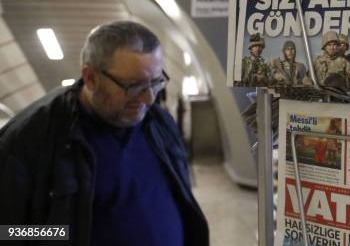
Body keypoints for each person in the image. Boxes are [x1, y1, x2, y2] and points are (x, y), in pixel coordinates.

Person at [0, 21, 209, 245]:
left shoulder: (158, 121)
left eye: (156, 82)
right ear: (90, 77)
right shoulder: (28, 141)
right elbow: (8, 232)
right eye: (133, 85)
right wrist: (67, 231)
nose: (148, 98)